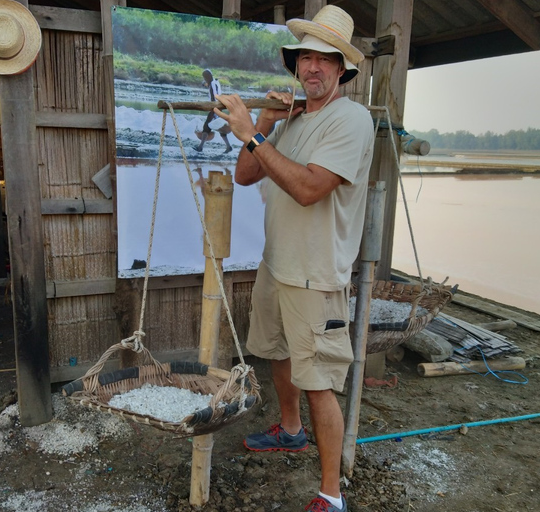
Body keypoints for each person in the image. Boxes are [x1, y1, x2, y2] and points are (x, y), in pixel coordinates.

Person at [214, 5, 374, 512]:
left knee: (320, 382)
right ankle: (289, 430)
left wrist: (253, 134)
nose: (313, 67)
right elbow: (245, 175)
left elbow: (308, 189)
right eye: (305, 57)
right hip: (277, 264)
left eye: (325, 59)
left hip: (316, 274)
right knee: (276, 353)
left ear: (342, 69)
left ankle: (332, 494)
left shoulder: (352, 121)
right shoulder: (292, 118)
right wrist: (262, 123)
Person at [195, 69, 233, 153]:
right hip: (218, 106)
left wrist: (211, 106)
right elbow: (209, 86)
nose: (205, 79)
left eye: (205, 77)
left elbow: (214, 96)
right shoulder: (215, 82)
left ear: (209, 76)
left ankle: (200, 147)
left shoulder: (212, 84)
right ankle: (228, 146)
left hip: (215, 107)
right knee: (219, 127)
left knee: (207, 125)